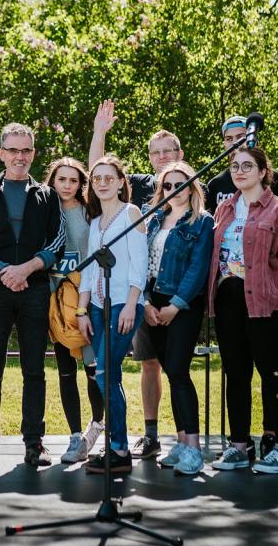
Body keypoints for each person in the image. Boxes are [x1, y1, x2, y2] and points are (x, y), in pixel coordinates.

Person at [89, 99, 183, 458]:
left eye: (167, 151)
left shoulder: (188, 187)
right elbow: (98, 171)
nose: (161, 157)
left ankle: (185, 440)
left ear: (179, 152)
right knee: (147, 364)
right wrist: (100, 133)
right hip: (138, 294)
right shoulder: (142, 189)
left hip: (170, 296)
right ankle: (150, 433)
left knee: (177, 368)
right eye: (155, 153)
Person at [0, 122, 65, 468]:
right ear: (1, 153)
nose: (19, 156)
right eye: (13, 150)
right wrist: (4, 272)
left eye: (26, 150)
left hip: (35, 290)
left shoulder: (48, 195)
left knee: (34, 370)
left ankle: (33, 442)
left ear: (33, 154)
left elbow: (57, 242)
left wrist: (25, 270)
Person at [206, 146, 278, 475]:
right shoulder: (225, 210)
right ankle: (238, 446)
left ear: (263, 172)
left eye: (248, 166)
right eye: (235, 166)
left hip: (266, 305)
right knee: (235, 374)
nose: (240, 171)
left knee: (272, 374)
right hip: (228, 302)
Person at [142, 162, 214, 476]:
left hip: (182, 305)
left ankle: (194, 449)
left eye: (181, 184)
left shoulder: (202, 222)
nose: (175, 190)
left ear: (192, 186)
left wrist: (176, 305)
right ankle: (182, 443)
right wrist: (145, 302)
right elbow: (141, 263)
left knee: (180, 371)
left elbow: (198, 269)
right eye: (168, 185)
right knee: (170, 371)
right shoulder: (154, 220)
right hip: (152, 303)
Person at [77, 156, 147, 474]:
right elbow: (91, 270)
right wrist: (82, 308)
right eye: (97, 178)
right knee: (107, 374)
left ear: (121, 182)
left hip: (123, 304)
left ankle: (119, 447)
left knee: (105, 371)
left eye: (109, 177)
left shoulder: (131, 213)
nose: (103, 183)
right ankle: (116, 447)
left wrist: (132, 304)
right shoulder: (95, 222)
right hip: (97, 306)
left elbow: (139, 263)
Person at [44, 157, 105, 463]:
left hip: (85, 300)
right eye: (61, 179)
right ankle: (74, 437)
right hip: (55, 303)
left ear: (81, 184)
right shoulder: (43, 210)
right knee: (65, 372)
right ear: (52, 181)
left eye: (73, 180)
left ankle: (98, 425)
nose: (67, 185)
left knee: (93, 370)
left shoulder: (89, 212)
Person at [205, 114, 278, 212]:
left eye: (240, 136)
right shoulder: (215, 184)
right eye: (229, 139)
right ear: (224, 144)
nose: (234, 143)